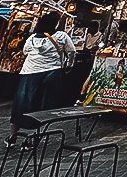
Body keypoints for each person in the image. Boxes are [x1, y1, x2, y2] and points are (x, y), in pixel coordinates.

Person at [4, 11, 75, 148]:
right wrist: (69, 65)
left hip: (29, 73)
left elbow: (25, 51)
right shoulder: (62, 36)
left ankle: (13, 136)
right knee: (43, 105)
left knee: (21, 105)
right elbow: (71, 51)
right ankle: (35, 137)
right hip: (51, 73)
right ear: (55, 23)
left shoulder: (31, 39)